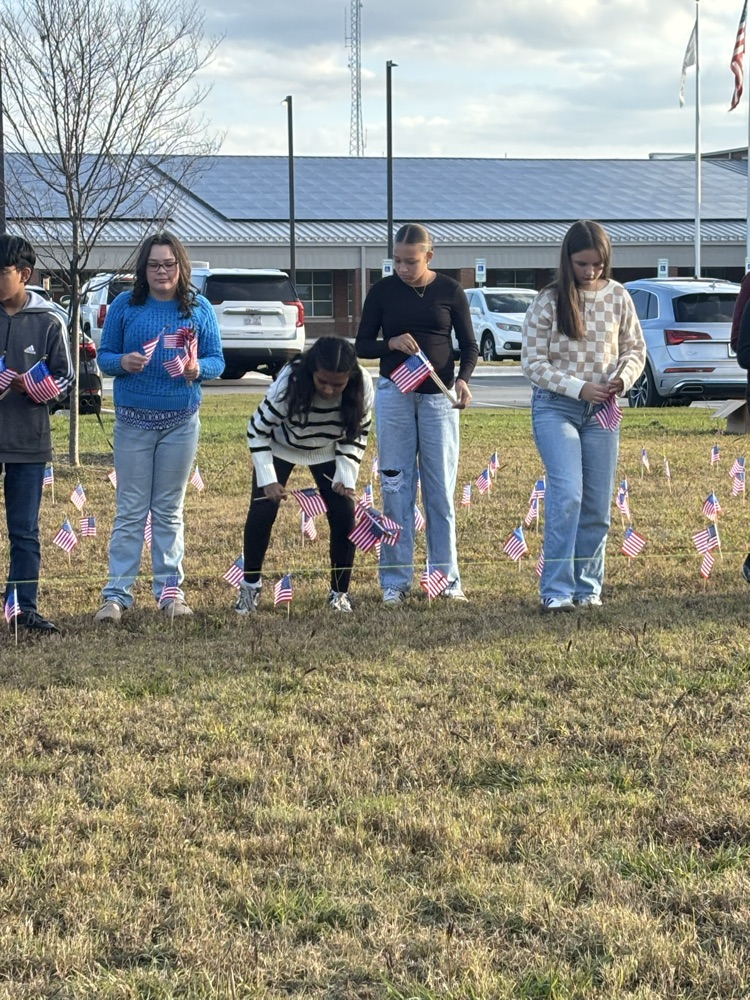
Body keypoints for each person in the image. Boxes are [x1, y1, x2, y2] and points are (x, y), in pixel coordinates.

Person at [94, 232, 224, 622]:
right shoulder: (125, 306)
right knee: (131, 510)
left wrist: (198, 369)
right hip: (133, 422)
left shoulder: (198, 309)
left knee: (169, 510)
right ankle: (116, 596)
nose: (162, 271)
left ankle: (171, 595)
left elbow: (218, 360)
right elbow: (103, 357)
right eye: (154, 265)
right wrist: (123, 362)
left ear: (181, 267)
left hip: (181, 423)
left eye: (169, 264)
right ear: (143, 268)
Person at [522, 219, 646, 612]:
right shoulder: (548, 299)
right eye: (582, 264)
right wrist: (578, 387)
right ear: (567, 260)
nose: (591, 272)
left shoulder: (619, 296)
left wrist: (621, 380)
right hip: (555, 408)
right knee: (569, 495)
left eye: (597, 264)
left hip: (604, 411)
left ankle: (587, 588)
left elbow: (634, 349)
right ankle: (555, 590)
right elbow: (532, 362)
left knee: (596, 503)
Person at [355, 223, 477, 604]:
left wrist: (463, 379)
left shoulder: (450, 291)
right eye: (397, 261)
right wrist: (390, 342)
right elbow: (362, 345)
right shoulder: (382, 291)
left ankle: (446, 578)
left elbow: (469, 346)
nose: (403, 269)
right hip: (395, 395)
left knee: (440, 491)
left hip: (438, 399)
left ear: (430, 255)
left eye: (411, 261)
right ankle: (395, 580)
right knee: (396, 487)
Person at [239, 336, 373, 613]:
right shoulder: (290, 381)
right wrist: (268, 479)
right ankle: (249, 589)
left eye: (337, 384)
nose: (328, 389)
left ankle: (340, 593)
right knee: (263, 512)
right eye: (322, 381)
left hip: (326, 448)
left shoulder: (363, 385)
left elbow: (356, 434)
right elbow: (257, 430)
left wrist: (346, 476)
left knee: (345, 515)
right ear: (312, 370)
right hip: (280, 445)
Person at [0, 234, 74, 633]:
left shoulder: (49, 319)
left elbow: (67, 376)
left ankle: (23, 610)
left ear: (24, 275)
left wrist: (33, 387)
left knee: (24, 531)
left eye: (2, 272)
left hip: (28, 442)